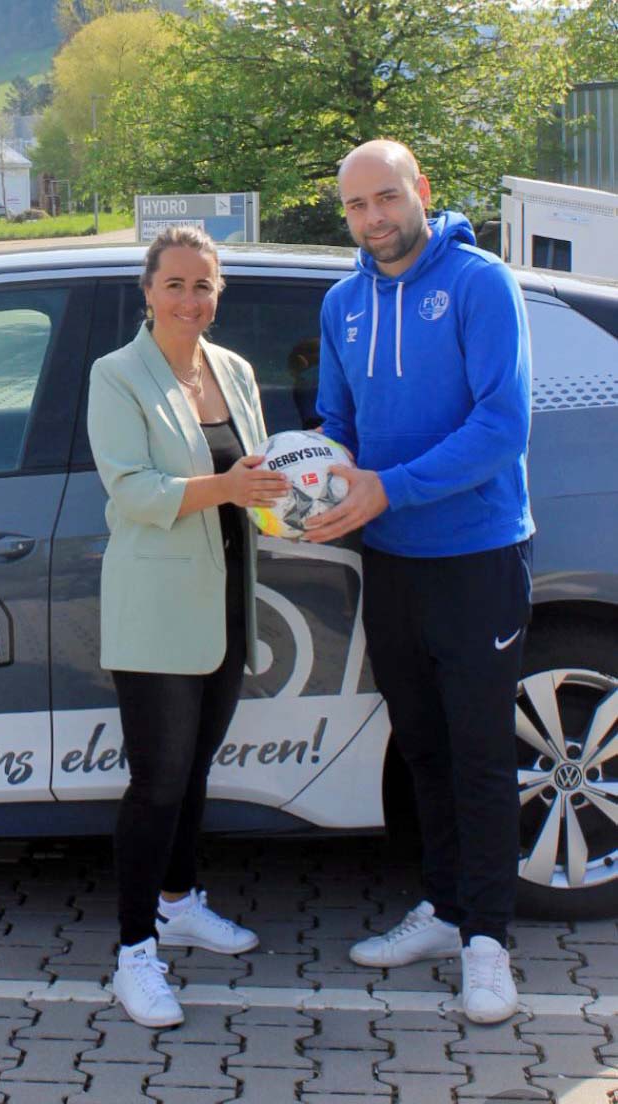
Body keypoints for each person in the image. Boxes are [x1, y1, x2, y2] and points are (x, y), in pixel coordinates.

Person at [305, 140, 534, 1025]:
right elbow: (337, 423)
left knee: (479, 753)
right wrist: (304, 480)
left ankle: (488, 942)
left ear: (421, 192)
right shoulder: (341, 302)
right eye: (356, 206)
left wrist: (387, 489)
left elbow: (501, 426)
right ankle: (444, 909)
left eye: (386, 198)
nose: (373, 219)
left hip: (476, 555)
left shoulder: (480, 284)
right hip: (390, 559)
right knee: (423, 748)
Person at [87, 226, 288, 1028]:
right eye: (173, 284)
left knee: (195, 769)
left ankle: (178, 903)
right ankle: (134, 953)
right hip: (154, 609)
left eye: (202, 285)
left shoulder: (233, 370)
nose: (188, 299)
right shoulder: (115, 374)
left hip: (226, 603)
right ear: (146, 291)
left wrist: (299, 500)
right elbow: (133, 491)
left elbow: (257, 478)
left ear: (217, 293)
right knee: (157, 784)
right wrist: (227, 487)